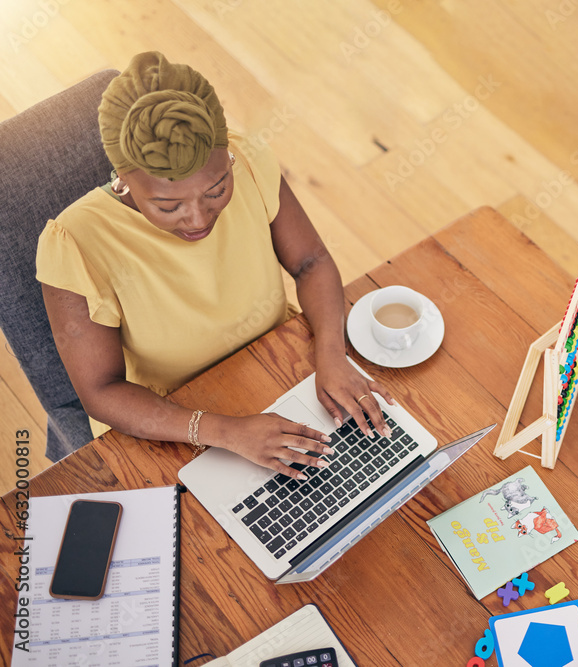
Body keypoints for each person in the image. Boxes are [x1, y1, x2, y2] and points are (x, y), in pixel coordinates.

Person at [37, 52, 393, 479]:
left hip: (281, 362)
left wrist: (332, 354)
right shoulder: (74, 244)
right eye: (168, 206)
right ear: (124, 178)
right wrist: (228, 432)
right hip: (172, 422)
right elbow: (101, 391)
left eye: (217, 188)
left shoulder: (247, 160)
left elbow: (311, 261)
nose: (198, 219)